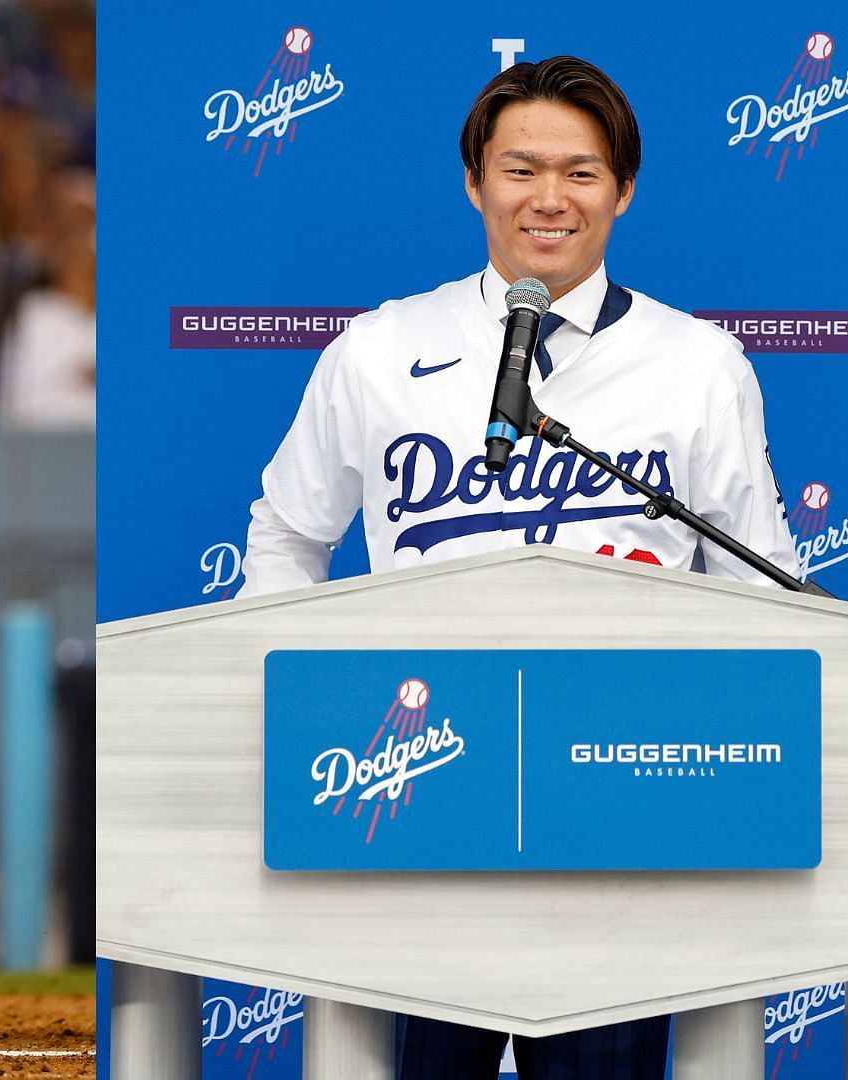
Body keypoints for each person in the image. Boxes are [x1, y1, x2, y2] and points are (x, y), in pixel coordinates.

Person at [237, 56, 798, 1079]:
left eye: (581, 174)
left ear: (623, 191)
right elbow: (284, 537)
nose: (549, 200)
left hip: (620, 798)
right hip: (414, 789)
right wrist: (293, 706)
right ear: (474, 182)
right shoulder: (376, 349)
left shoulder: (698, 363)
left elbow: (759, 586)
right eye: (521, 169)